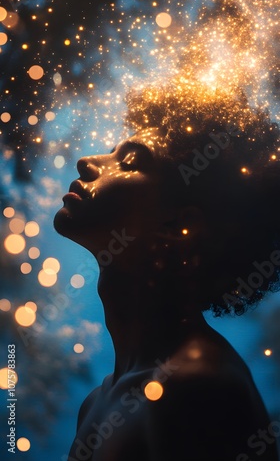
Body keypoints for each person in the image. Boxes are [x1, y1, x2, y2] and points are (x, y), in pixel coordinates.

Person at [54, 85, 280, 461]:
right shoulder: (95, 403)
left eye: (129, 162)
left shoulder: (200, 388)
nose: (86, 162)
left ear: (178, 226)